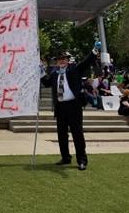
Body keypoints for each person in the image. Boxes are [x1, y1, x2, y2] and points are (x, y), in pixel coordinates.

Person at [41, 42, 101, 170]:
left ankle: (82, 160)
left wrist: (94, 51)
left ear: (68, 60)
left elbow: (85, 63)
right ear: (57, 62)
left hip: (73, 105)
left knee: (77, 133)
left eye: (64, 59)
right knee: (61, 134)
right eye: (59, 59)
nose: (62, 61)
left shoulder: (74, 70)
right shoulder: (54, 74)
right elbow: (45, 83)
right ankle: (65, 157)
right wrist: (40, 70)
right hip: (60, 107)